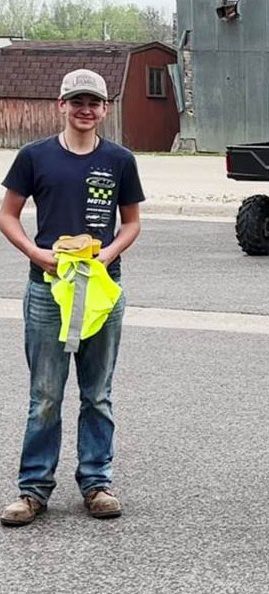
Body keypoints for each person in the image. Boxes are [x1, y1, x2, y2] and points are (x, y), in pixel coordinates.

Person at [0, 69, 144, 526]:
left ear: (104, 109)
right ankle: (33, 489)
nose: (86, 110)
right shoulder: (34, 156)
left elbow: (132, 223)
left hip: (101, 292)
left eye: (94, 103)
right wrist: (36, 253)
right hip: (48, 291)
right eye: (77, 101)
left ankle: (96, 483)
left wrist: (107, 255)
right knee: (44, 394)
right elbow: (8, 215)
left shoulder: (119, 160)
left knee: (97, 394)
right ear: (61, 104)